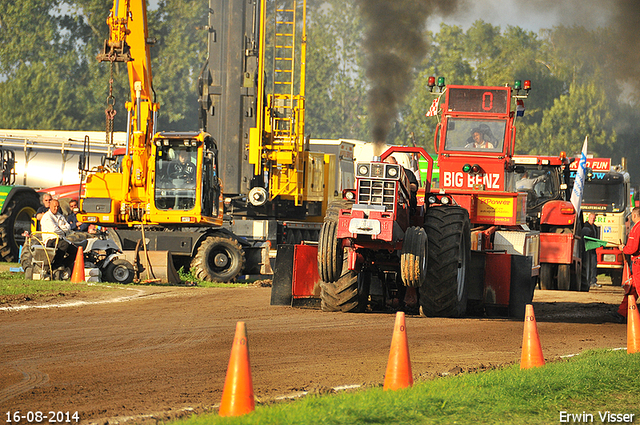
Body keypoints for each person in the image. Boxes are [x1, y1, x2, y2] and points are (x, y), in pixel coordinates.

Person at [611, 207, 640, 323]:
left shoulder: (636, 229)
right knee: (632, 289)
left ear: (634, 216)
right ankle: (622, 313)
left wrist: (624, 248)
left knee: (636, 287)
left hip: (638, 263)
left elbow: (633, 248)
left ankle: (622, 313)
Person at [40, 199, 78, 273]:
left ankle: (63, 265)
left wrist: (60, 228)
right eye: (54, 206)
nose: (56, 208)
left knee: (75, 250)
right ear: (50, 206)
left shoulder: (60, 216)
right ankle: (55, 265)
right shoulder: (47, 217)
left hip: (61, 238)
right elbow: (54, 230)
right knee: (64, 245)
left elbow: (68, 227)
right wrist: (62, 229)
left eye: (58, 206)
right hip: (50, 239)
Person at [581, 212, 601, 289]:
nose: (592, 220)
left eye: (594, 219)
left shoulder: (595, 227)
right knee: (588, 265)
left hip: (593, 249)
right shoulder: (585, 226)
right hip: (587, 249)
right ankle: (589, 281)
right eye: (591, 218)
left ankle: (593, 280)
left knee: (593, 265)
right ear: (588, 218)